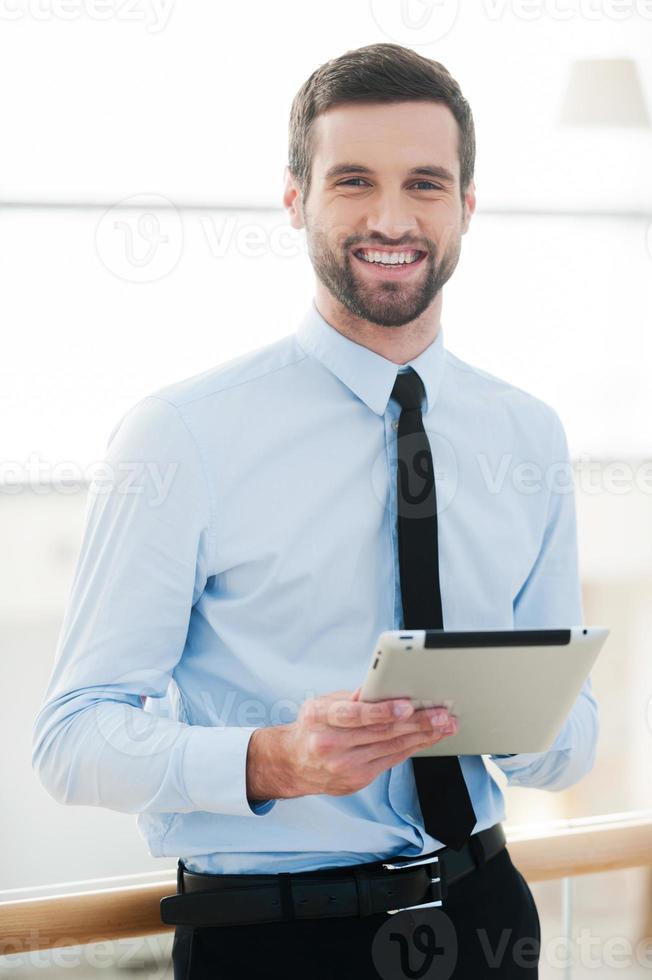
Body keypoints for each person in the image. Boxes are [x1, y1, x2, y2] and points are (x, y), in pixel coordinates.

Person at [32, 42, 599, 979]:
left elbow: (566, 739)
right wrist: (271, 761)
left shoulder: (527, 436)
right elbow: (73, 736)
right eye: (351, 182)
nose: (390, 218)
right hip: (275, 939)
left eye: (425, 183)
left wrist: (518, 723)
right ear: (295, 199)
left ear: (466, 206)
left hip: (486, 915)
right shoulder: (181, 435)